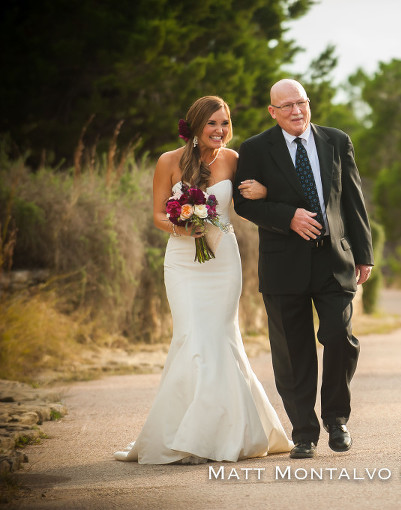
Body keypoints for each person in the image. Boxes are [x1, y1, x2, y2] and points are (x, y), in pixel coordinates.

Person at [114, 96, 292, 464]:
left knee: (220, 337)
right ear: (195, 126)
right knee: (190, 336)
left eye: (225, 123)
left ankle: (224, 433)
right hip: (182, 261)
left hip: (223, 260)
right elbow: (157, 215)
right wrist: (183, 226)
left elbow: (258, 197)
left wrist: (264, 191)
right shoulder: (167, 162)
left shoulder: (234, 160)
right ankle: (185, 433)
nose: (220, 130)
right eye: (212, 123)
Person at [234, 79, 374, 459]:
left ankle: (336, 420)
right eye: (288, 106)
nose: (297, 111)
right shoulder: (255, 149)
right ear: (272, 112)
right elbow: (244, 204)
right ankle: (304, 433)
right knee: (292, 352)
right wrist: (287, 215)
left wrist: (363, 253)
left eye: (302, 103)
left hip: (334, 261)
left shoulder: (336, 140)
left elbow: (353, 200)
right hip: (284, 265)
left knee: (340, 338)